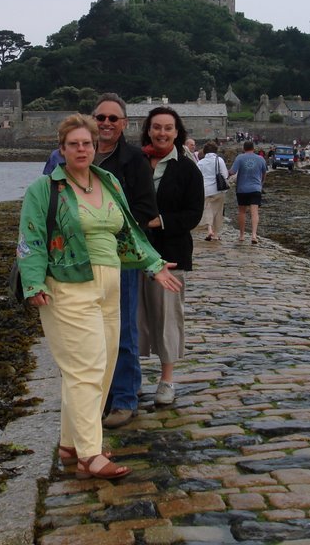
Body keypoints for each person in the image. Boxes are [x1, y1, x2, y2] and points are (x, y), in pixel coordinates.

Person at [17, 114, 181, 480]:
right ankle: (90, 454)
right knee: (85, 369)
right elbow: (30, 239)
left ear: (95, 147)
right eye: (73, 144)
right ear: (61, 149)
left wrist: (153, 264)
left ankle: (70, 445)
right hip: (68, 284)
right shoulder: (45, 189)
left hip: (111, 285)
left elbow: (129, 233)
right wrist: (34, 284)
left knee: (102, 368)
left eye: (86, 143)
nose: (81, 149)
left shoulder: (108, 183)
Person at [91, 93, 160, 429]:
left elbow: (147, 211)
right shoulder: (78, 154)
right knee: (91, 331)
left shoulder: (133, 159)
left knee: (123, 330)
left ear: (124, 124)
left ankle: (125, 399)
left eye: (112, 119)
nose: (105, 123)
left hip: (123, 259)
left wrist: (107, 224)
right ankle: (99, 397)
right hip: (82, 259)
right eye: (100, 117)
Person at [137, 106, 204, 407]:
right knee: (133, 318)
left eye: (168, 127)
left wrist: (159, 221)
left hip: (171, 254)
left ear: (177, 132)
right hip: (133, 253)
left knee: (167, 318)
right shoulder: (136, 162)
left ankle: (167, 381)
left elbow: (194, 214)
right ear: (148, 130)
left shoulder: (187, 168)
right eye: (156, 127)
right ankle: (132, 378)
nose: (162, 132)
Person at [229, 140, 268, 244]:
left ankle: (241, 235)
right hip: (256, 188)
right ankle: (254, 235)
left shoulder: (240, 158)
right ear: (253, 148)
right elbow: (264, 173)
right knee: (254, 212)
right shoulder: (260, 159)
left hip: (242, 188)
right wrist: (261, 183)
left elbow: (232, 172)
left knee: (242, 212)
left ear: (243, 148)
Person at [196, 141, 227, 241]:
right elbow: (225, 174)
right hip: (218, 190)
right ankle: (216, 234)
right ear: (216, 150)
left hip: (204, 190)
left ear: (204, 151)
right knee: (218, 212)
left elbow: (197, 177)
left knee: (207, 209)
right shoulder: (219, 160)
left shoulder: (200, 162)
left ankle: (209, 229)